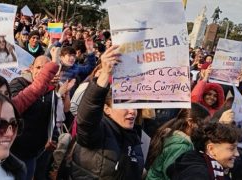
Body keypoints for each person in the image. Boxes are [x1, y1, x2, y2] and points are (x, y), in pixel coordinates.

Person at [70, 45, 143, 179]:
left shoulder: (135, 138)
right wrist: (105, 74)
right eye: (124, 106)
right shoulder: (97, 131)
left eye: (135, 106)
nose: (132, 111)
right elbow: (86, 118)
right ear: (106, 108)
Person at [145, 103, 210, 180]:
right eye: (204, 124)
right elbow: (172, 175)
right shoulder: (181, 146)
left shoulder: (176, 138)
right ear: (190, 122)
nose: (206, 129)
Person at [167, 123, 240, 179]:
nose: (237, 154)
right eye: (232, 148)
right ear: (211, 149)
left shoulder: (216, 168)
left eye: (236, 148)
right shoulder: (196, 174)